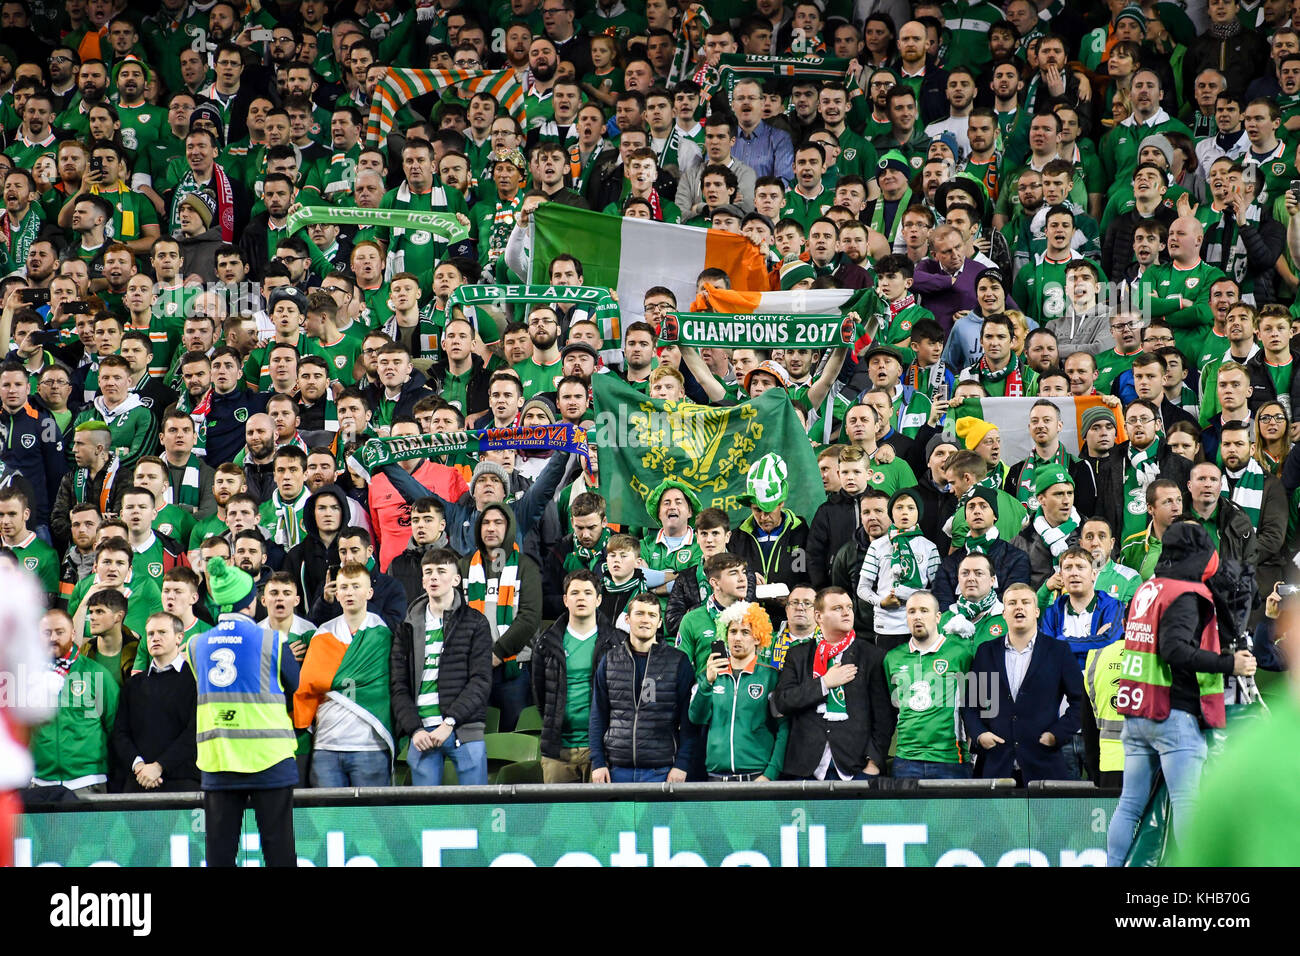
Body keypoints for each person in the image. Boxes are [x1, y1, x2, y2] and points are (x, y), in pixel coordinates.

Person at [1105, 522, 1257, 866]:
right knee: (1190, 803)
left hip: (1137, 710)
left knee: (1129, 804)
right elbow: (1174, 650)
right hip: (1171, 712)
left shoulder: (1149, 589)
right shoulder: (1185, 595)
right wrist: (1229, 664)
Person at [187, 557, 300, 867]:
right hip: (270, 759)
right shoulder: (272, 640)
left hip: (219, 759)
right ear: (251, 603)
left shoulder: (196, 645)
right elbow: (295, 682)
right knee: (279, 853)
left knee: (220, 856)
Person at [390, 548, 493, 786]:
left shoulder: (476, 622)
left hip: (464, 731)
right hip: (422, 734)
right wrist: (415, 730)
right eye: (428, 572)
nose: (433, 577)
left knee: (477, 811)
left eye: (441, 571)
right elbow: (399, 686)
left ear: (456, 580)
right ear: (422, 580)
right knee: (427, 815)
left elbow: (480, 681)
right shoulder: (406, 626)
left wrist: (450, 723)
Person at [962, 582, 1084, 784]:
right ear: (1004, 613)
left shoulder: (1058, 651)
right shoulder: (986, 652)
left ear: (1036, 611)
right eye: (1012, 603)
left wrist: (1057, 734)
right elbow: (971, 704)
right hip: (996, 764)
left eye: (1025, 602)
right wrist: (980, 734)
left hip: (1044, 763)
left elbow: (1081, 702)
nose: (1019, 607)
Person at [774, 587, 894, 780]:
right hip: (805, 768)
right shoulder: (798, 655)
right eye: (838, 608)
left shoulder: (872, 655)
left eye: (849, 607)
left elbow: (883, 716)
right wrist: (824, 683)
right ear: (819, 616)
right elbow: (783, 701)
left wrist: (873, 762)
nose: (846, 612)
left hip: (856, 766)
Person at [294, 562, 394, 788]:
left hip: (370, 746)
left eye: (356, 586)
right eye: (344, 587)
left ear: (369, 592)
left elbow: (383, 687)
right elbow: (309, 683)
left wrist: (332, 684)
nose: (350, 592)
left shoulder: (383, 636)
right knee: (328, 822)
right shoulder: (322, 635)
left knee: (371, 820)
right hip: (326, 746)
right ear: (336, 593)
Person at [588, 592, 696, 783]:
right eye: (639, 614)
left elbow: (689, 720)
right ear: (627, 619)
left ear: (660, 622)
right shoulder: (610, 660)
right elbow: (598, 715)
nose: (645, 620)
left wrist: (682, 764)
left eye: (652, 615)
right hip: (616, 770)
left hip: (661, 770)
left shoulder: (678, 662)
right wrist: (598, 762)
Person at [531, 569, 622, 783]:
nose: (581, 598)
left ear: (599, 600)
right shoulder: (546, 643)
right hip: (558, 751)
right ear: (565, 599)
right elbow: (540, 696)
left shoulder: (617, 643)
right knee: (561, 816)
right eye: (575, 593)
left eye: (588, 593)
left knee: (603, 816)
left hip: (603, 750)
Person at [688, 600, 788, 782]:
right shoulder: (710, 674)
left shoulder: (770, 677)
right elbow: (696, 717)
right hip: (715, 777)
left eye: (745, 632)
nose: (737, 638)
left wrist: (770, 774)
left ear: (758, 637)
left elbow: (783, 729)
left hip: (757, 777)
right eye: (732, 631)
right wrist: (707, 683)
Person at [27, 608, 119, 796]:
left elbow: (115, 726)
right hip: (39, 782)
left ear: (73, 633)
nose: (53, 637)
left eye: (60, 632)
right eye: (46, 633)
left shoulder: (96, 674)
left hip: (87, 782)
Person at [884, 591, 975, 778]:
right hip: (906, 759)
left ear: (938, 617)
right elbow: (893, 706)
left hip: (950, 758)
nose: (917, 616)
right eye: (911, 611)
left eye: (924, 610)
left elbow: (975, 702)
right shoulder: (892, 658)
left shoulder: (961, 653)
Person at [110, 611, 200, 792]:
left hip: (183, 782)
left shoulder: (196, 681)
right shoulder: (133, 685)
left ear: (179, 637)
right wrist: (139, 767)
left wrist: (159, 766)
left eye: (162, 632)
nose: (155, 638)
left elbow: (195, 732)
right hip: (138, 780)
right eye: (150, 634)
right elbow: (120, 733)